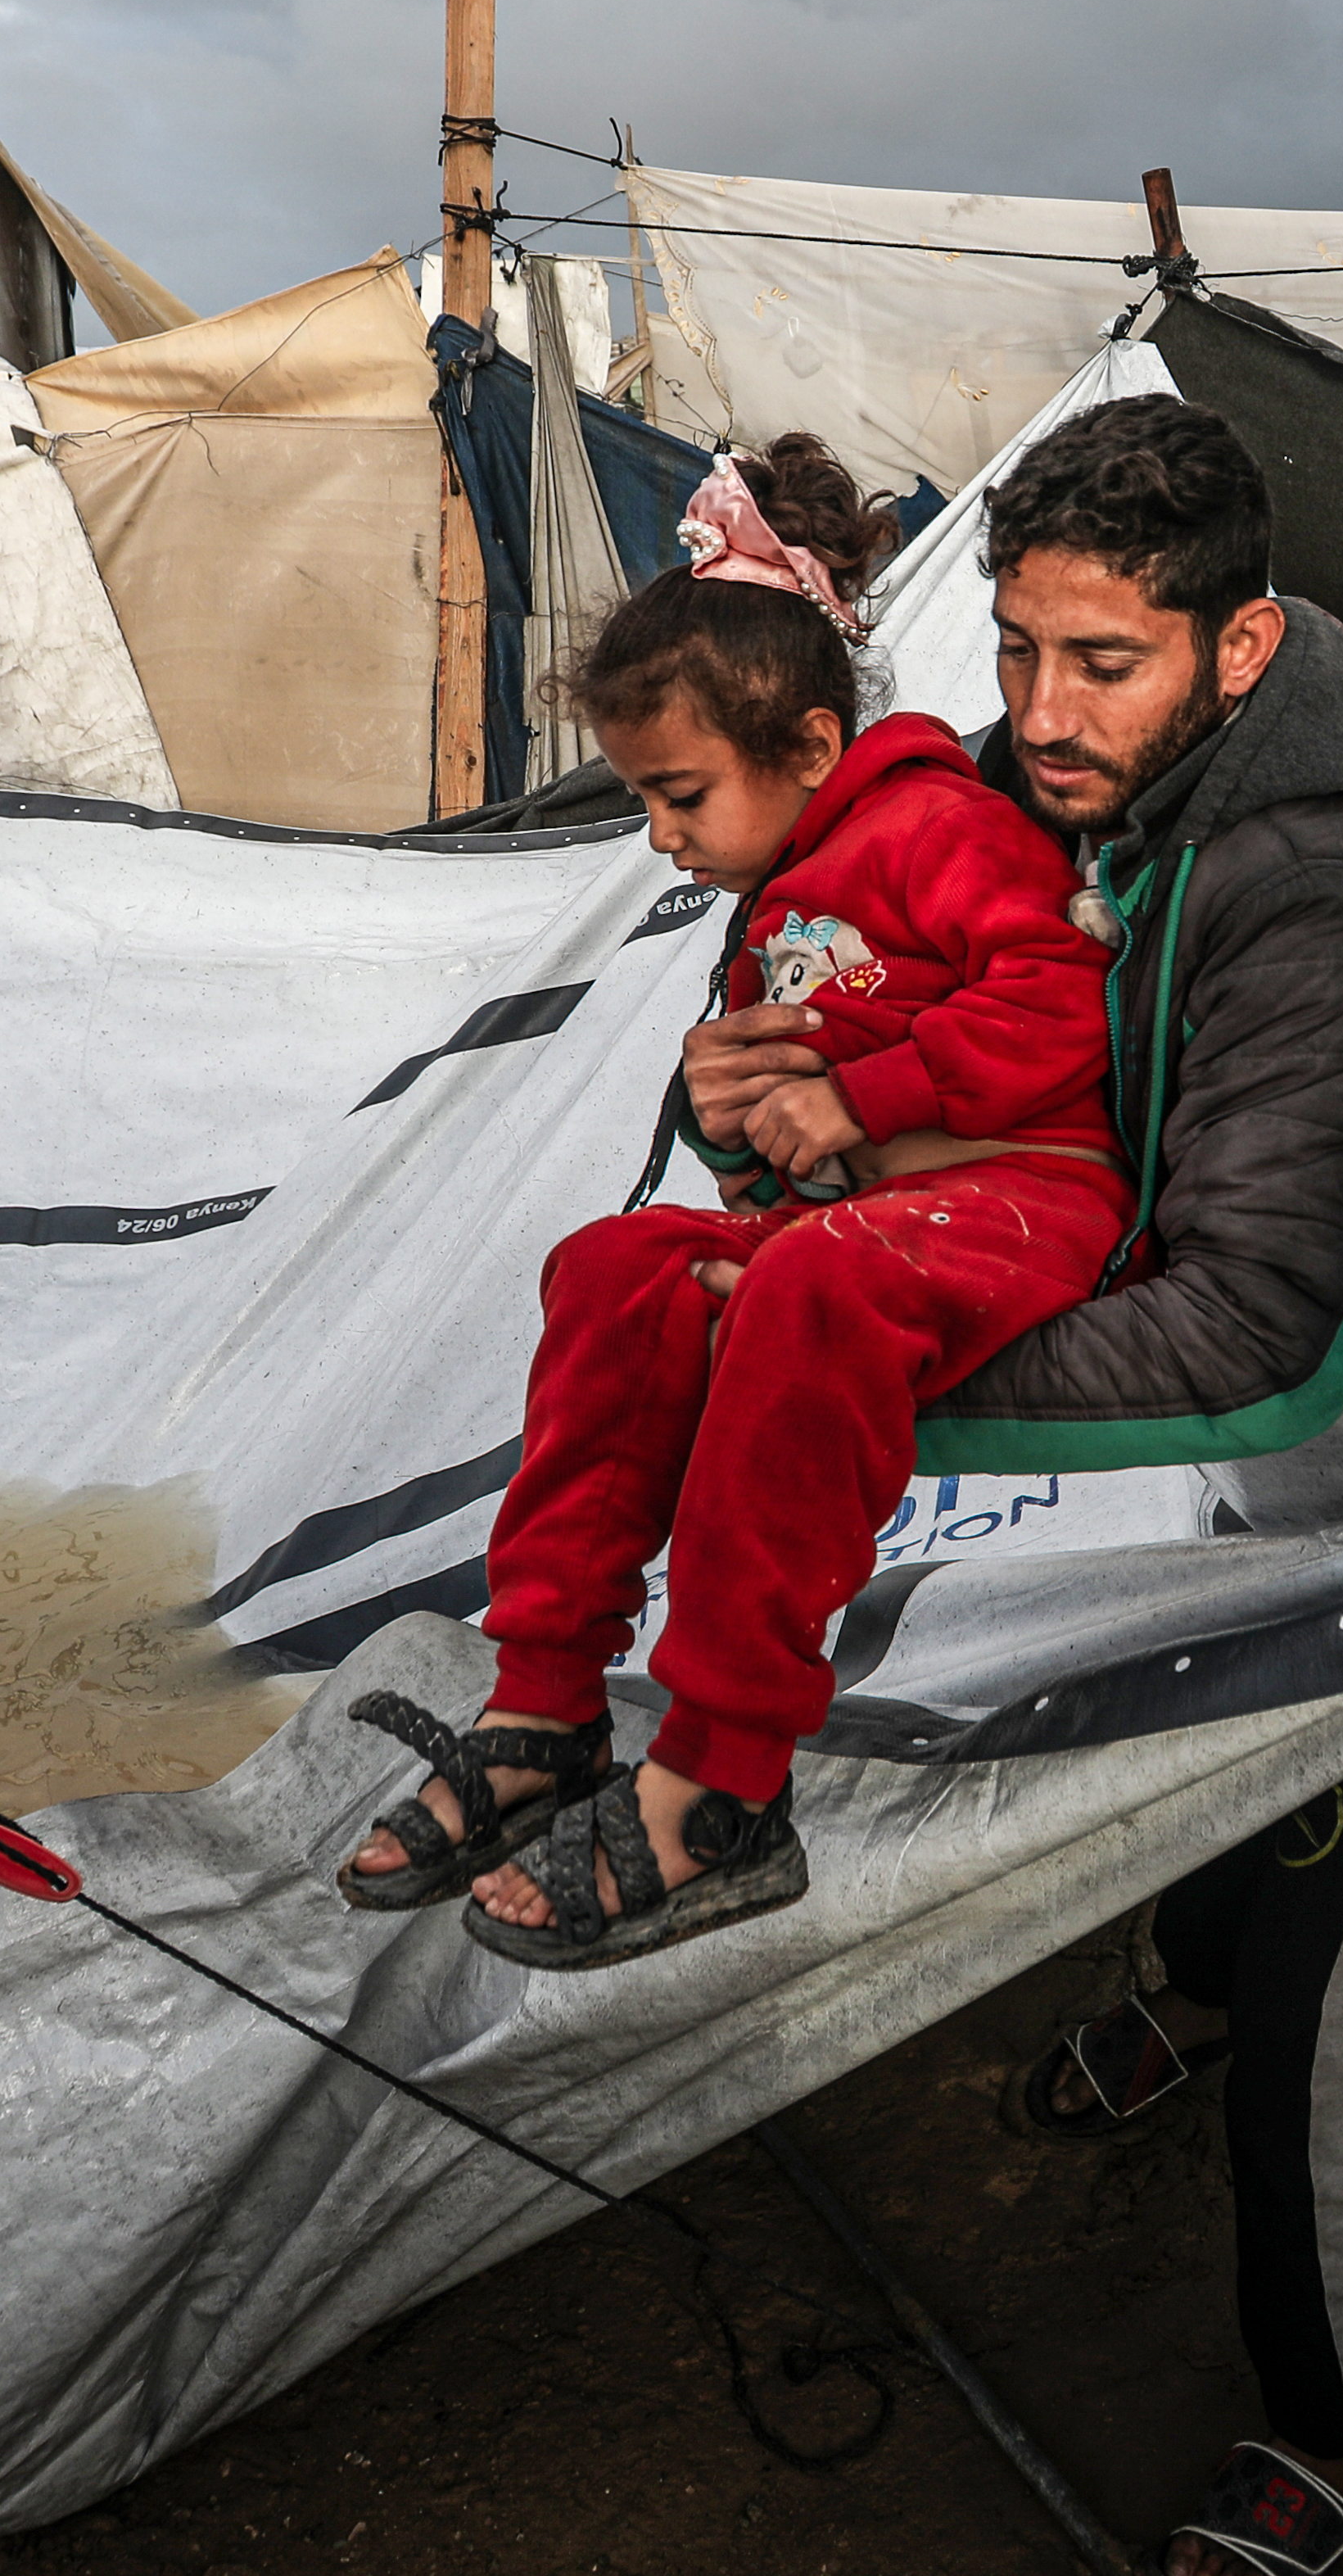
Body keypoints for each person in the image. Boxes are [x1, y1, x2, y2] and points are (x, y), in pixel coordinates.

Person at [682, 396, 1343, 2576]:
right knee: (1183, 1766)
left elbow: (1274, 1333)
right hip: (1198, 1438)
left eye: (1108, 664)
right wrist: (791, 1099)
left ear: (1241, 648)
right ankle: (1177, 1986)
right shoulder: (1033, 814)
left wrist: (852, 1361)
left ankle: (1338, 2406)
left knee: (1332, 1982)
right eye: (1017, 651)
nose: (1043, 714)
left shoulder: (1319, 899)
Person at [334, 432, 1132, 1971]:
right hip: (870, 1211)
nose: (660, 835)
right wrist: (754, 1128)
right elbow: (785, 1141)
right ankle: (545, 1697)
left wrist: (862, 1098)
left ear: (818, 745)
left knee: (804, 1288)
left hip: (1023, 1197)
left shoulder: (941, 830)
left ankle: (724, 1773)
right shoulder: (789, 885)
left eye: (681, 793)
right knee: (611, 1266)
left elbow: (1065, 1005)